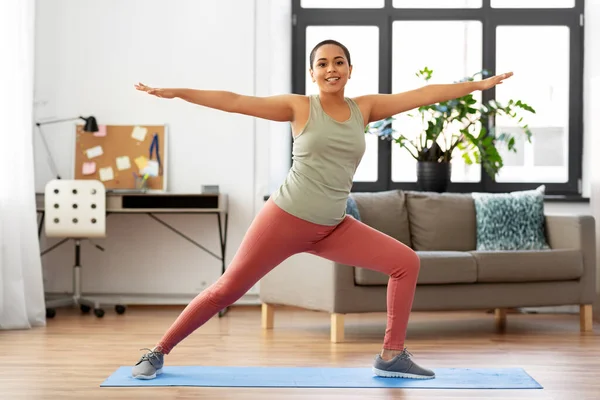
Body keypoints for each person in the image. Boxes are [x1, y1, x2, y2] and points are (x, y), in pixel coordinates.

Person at [131, 39, 512, 381]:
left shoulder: (366, 108)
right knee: (226, 291)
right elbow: (234, 101)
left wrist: (475, 87)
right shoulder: (299, 107)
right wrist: (178, 92)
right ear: (312, 73)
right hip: (284, 219)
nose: (332, 69)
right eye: (323, 63)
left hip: (333, 225)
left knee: (406, 262)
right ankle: (158, 351)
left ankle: (392, 355)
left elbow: (424, 94)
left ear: (350, 70)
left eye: (339, 62)